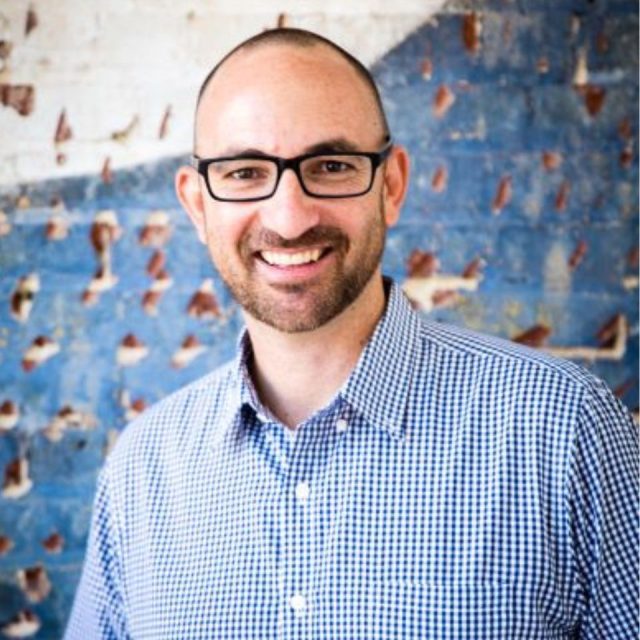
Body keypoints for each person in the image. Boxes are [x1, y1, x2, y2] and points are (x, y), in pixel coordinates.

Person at [65, 28, 638, 639]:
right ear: (198, 203)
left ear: (390, 186)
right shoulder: (143, 469)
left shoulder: (562, 428)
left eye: (332, 166)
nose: (289, 218)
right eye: (244, 172)